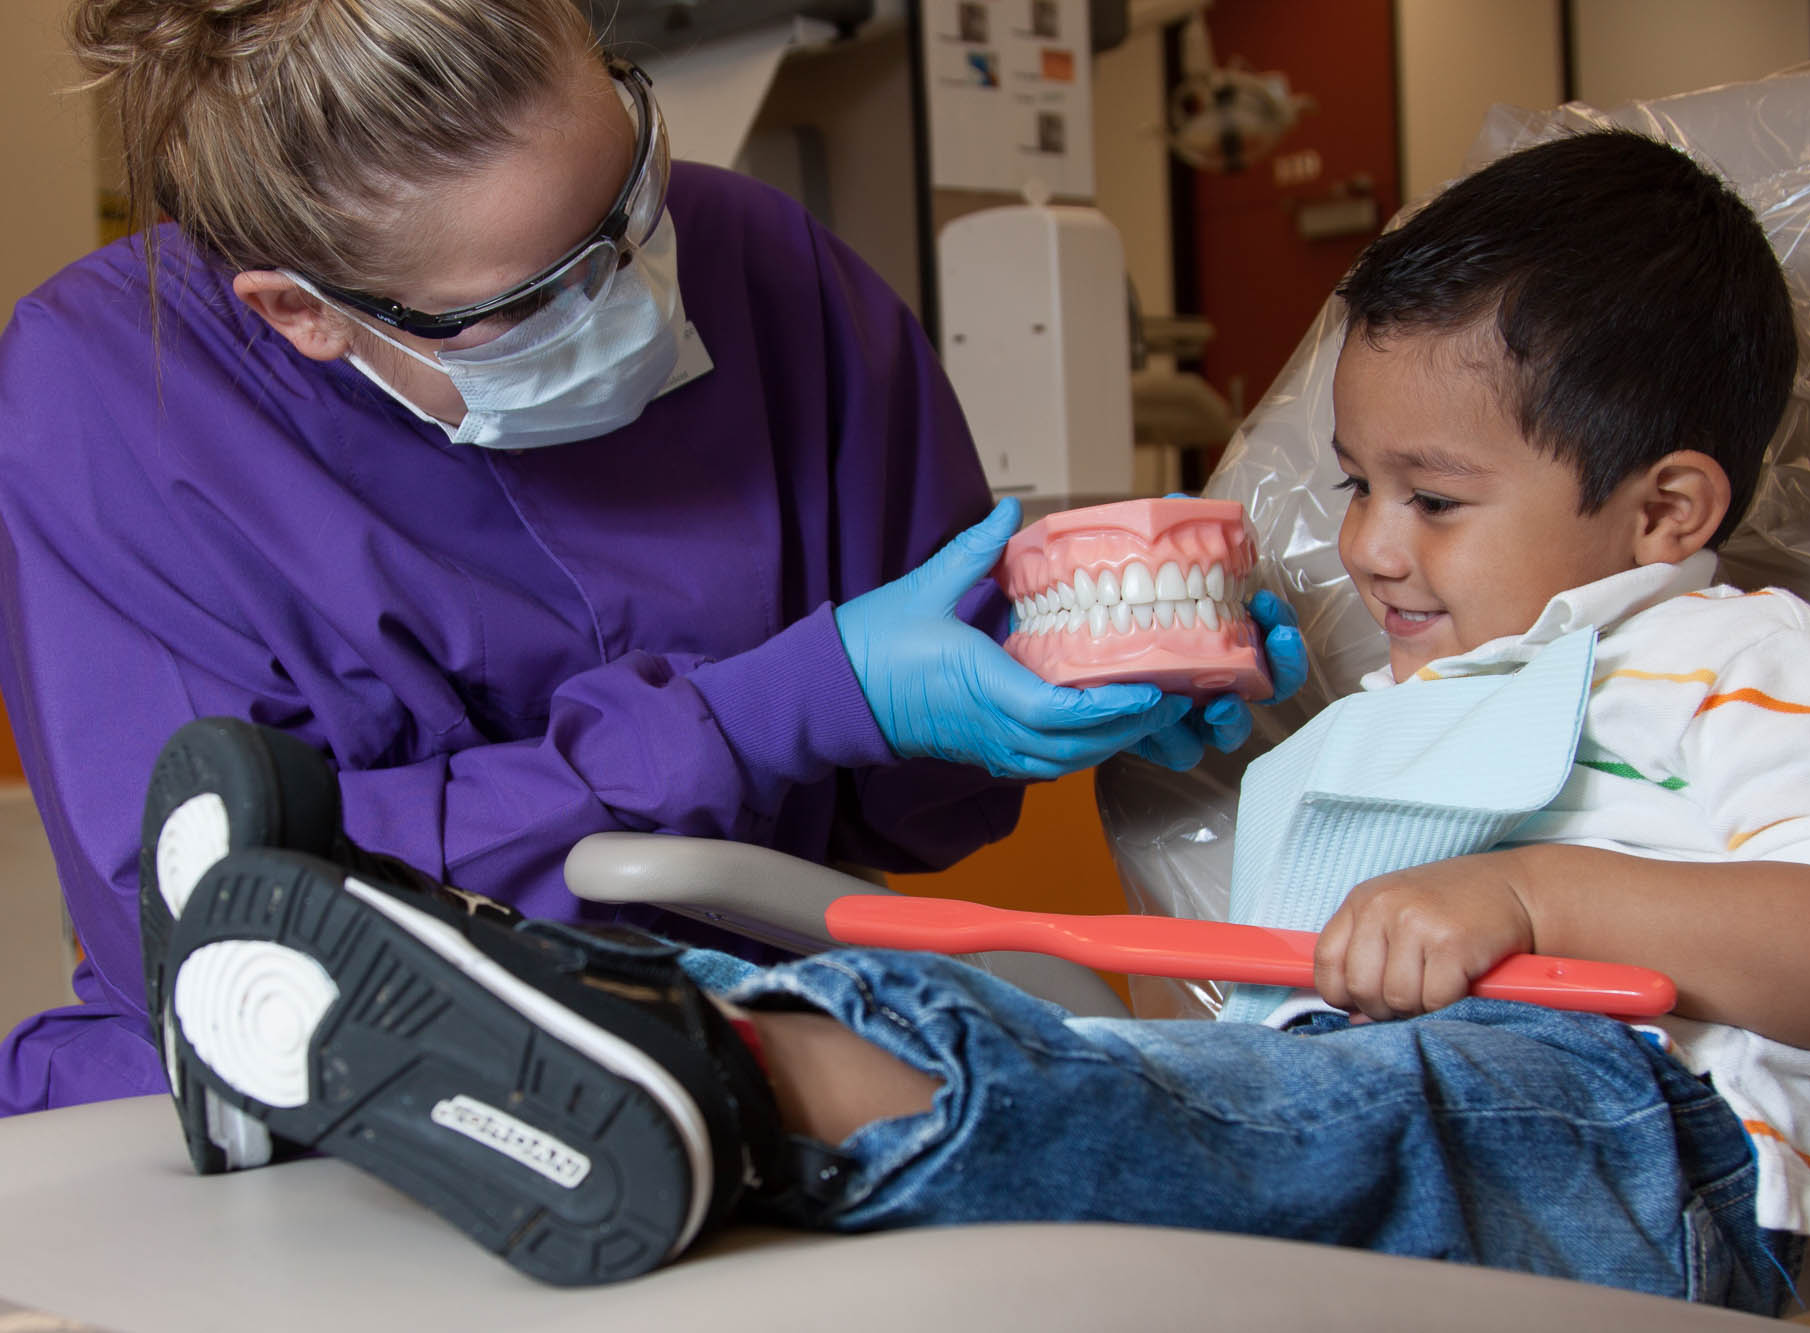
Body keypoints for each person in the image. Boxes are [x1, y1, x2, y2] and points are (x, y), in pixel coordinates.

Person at [145, 128, 1810, 1312]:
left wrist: (1542, 901)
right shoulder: (1429, 678)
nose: (1373, 544)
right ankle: (552, 1032)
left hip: (1653, 1157)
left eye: (1436, 497)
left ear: (1667, 511)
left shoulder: (1737, 660)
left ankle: (719, 1094)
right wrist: (1207, 721)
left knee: (1175, 1106)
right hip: (1370, 1094)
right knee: (1073, 1049)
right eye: (1357, 483)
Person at [0, 0, 1302, 1118]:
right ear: (303, 312)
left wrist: (1064, 679)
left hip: (762, 1047)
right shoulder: (115, 393)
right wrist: (767, 714)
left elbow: (905, 812)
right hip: (309, 1086)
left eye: (632, 193)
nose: (634, 288)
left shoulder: (765, 263)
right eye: (528, 298)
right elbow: (221, 903)